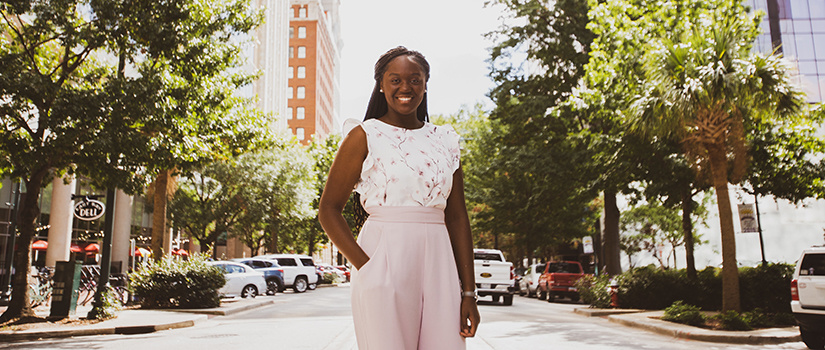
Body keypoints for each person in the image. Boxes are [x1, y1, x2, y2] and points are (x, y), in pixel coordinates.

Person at [318, 46, 480, 349]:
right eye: (395, 80)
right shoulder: (364, 135)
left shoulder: (446, 140)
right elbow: (328, 209)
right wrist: (366, 267)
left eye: (415, 80)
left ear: (425, 85)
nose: (406, 88)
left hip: (439, 262)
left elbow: (457, 217)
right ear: (381, 84)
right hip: (383, 259)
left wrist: (468, 292)